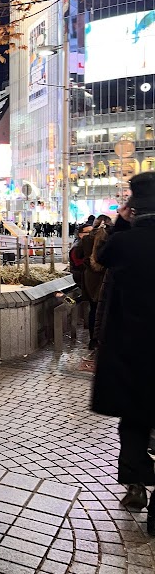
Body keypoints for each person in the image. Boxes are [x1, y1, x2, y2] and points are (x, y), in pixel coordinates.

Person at [91, 173, 155, 534]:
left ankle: (136, 483)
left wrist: (120, 220)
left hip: (131, 353)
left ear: (135, 208)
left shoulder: (125, 245)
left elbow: (103, 254)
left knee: (133, 422)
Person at [82, 214, 113, 352]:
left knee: (93, 308)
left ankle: (92, 341)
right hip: (105, 276)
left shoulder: (87, 239)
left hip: (90, 277)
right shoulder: (111, 238)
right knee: (105, 308)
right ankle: (103, 339)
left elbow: (78, 254)